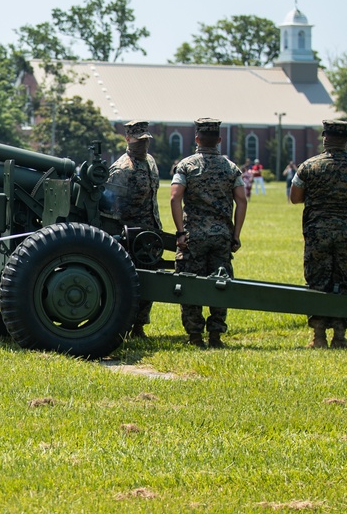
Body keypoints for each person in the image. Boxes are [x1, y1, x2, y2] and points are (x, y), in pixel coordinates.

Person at [289, 120, 347, 350]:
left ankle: (318, 337)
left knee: (317, 281)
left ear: (324, 138)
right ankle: (340, 336)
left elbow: (295, 197)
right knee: (345, 281)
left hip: (318, 233)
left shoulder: (309, 166)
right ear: (345, 140)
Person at [170, 119, 248, 348]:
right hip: (221, 237)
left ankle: (195, 336)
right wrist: (235, 234)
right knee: (220, 284)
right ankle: (215, 336)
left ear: (196, 139)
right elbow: (241, 201)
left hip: (193, 238)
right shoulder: (231, 167)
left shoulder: (186, 166)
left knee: (190, 284)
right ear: (219, 140)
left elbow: (175, 198)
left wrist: (180, 233)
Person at [105, 120, 161, 338]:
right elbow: (110, 206)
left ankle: (139, 326)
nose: (143, 144)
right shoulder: (121, 169)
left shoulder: (151, 162)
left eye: (146, 140)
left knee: (150, 281)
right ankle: (124, 325)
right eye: (139, 140)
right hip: (129, 234)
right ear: (128, 139)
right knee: (129, 283)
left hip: (150, 232)